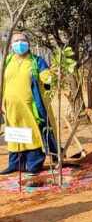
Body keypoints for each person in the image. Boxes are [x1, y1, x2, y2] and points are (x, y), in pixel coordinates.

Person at [1, 32, 57, 174]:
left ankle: (34, 164)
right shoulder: (6, 62)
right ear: (11, 44)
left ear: (28, 43)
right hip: (11, 107)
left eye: (22, 40)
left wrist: (53, 77)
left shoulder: (37, 61)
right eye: (16, 41)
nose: (19, 43)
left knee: (33, 133)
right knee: (14, 133)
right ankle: (15, 164)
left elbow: (46, 77)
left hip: (31, 107)